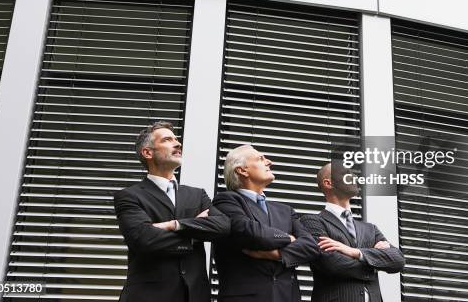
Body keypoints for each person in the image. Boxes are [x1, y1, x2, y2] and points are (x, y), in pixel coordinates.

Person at [114, 121, 230, 302]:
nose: (178, 144)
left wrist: (174, 225)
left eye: (176, 139)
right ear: (148, 152)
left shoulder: (197, 194)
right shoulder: (129, 196)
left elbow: (222, 226)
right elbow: (143, 239)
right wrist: (195, 233)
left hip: (195, 296)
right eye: (167, 140)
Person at [212, 144, 319, 302]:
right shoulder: (225, 201)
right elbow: (253, 234)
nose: (269, 162)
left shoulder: (286, 210)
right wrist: (290, 238)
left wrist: (279, 254)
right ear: (242, 170)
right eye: (260, 158)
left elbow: (311, 246)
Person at [301, 163, 405, 302]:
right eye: (346, 174)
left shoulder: (370, 229)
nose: (354, 177)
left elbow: (398, 260)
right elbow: (332, 265)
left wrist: (355, 252)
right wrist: (375, 262)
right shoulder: (312, 222)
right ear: (328, 183)